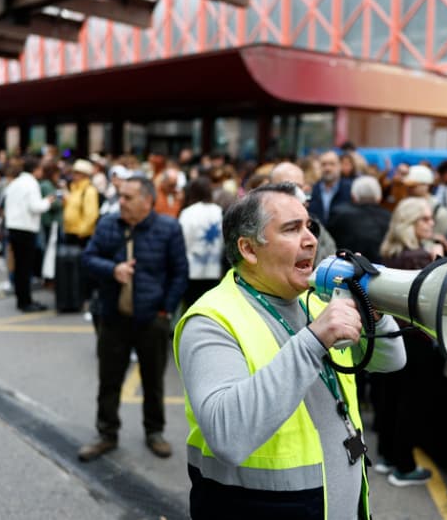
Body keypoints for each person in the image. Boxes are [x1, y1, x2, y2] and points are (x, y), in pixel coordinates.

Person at [174, 182, 406, 519]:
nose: (311, 239)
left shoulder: (314, 301)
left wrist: (377, 314)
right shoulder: (210, 320)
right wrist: (313, 341)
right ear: (249, 249)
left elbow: (392, 360)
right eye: (292, 229)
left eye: (309, 226)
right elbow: (227, 435)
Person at [78, 176, 188, 462]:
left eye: (128, 197)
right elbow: (87, 259)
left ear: (147, 201)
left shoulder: (169, 228)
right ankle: (106, 433)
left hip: (152, 319)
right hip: (114, 318)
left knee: (153, 380)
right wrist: (112, 269)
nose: (121, 203)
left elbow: (179, 273)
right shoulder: (107, 225)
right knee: (109, 379)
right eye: (120, 196)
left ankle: (155, 431)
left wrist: (165, 309)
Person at [375, 196, 440, 487]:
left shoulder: (390, 251)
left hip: (390, 333)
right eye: (424, 219)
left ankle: (388, 456)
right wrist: (436, 262)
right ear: (409, 223)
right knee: (410, 403)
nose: (431, 223)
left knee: (390, 399)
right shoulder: (418, 257)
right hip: (415, 337)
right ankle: (404, 465)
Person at [3, 157, 53, 313]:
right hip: (26, 228)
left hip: (13, 226)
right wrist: (48, 202)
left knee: (19, 267)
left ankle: (22, 299)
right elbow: (35, 206)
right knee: (25, 267)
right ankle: (26, 302)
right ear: (35, 169)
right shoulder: (31, 183)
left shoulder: (15, 182)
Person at [179, 176, 224, 308]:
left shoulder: (188, 212)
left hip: (192, 270)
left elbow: (182, 240)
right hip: (214, 269)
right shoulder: (219, 211)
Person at [327, 175, 391, 264]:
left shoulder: (339, 214)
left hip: (345, 268)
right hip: (379, 269)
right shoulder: (388, 217)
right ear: (379, 197)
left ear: (353, 196)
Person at [309, 150, 352, 227]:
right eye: (324, 164)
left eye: (332, 164)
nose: (327, 168)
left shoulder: (349, 189)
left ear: (339, 166)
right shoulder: (312, 191)